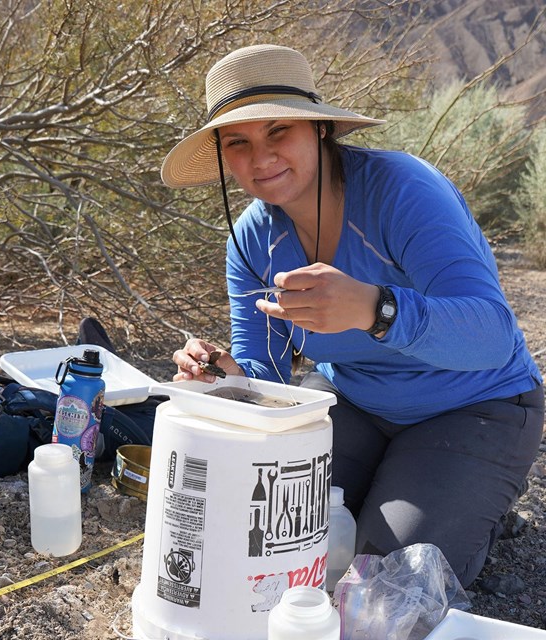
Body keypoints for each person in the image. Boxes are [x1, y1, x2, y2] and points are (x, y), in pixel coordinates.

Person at [163, 44, 544, 588]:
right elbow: (267, 373)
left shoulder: (403, 191)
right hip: (353, 402)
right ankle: (411, 488)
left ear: (319, 129)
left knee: (384, 586)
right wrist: (227, 377)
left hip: (476, 406)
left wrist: (374, 308)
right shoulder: (251, 240)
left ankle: (475, 501)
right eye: (238, 142)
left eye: (278, 132)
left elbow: (492, 337)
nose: (261, 156)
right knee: (262, 540)